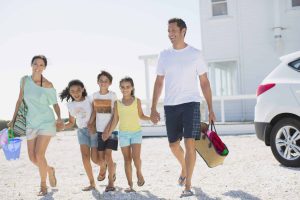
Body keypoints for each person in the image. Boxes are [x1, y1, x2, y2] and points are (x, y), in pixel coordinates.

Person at [150, 18, 216, 197]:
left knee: (189, 143)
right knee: (173, 145)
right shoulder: (164, 55)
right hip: (171, 105)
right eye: (168, 31)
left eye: (173, 30)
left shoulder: (195, 54)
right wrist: (153, 107)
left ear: (183, 31)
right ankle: (184, 168)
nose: (170, 34)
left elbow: (204, 82)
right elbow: (158, 82)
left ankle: (188, 186)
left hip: (191, 103)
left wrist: (210, 108)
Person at [8, 55, 64, 196]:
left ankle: (43, 186)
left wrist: (59, 118)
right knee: (33, 158)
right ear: (31, 65)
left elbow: (55, 104)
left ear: (44, 67)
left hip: (46, 122)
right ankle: (50, 169)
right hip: (30, 122)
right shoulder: (24, 80)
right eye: (35, 64)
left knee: (39, 154)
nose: (38, 67)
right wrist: (13, 119)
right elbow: (19, 100)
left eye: (41, 65)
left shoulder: (48, 84)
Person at [103, 77, 150, 193]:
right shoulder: (117, 103)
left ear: (132, 87)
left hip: (136, 133)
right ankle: (130, 185)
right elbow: (115, 120)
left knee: (136, 158)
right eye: (123, 87)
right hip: (123, 134)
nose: (125, 89)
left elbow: (141, 115)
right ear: (120, 88)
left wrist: (151, 118)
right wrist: (108, 133)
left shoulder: (137, 101)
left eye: (128, 87)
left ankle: (139, 172)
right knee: (127, 160)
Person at [59, 79, 98, 191]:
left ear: (83, 89)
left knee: (95, 159)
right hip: (81, 132)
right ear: (69, 92)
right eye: (73, 91)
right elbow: (71, 122)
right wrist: (62, 127)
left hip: (93, 130)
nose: (76, 93)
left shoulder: (89, 99)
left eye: (78, 90)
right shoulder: (70, 105)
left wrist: (91, 123)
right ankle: (92, 183)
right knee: (85, 158)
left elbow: (95, 111)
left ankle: (108, 166)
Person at [90, 71, 118, 192]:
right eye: (101, 80)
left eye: (106, 81)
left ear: (110, 83)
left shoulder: (113, 95)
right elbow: (94, 112)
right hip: (99, 131)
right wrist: (90, 124)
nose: (103, 83)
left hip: (112, 130)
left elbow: (115, 115)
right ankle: (109, 167)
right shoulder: (94, 95)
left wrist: (108, 130)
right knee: (100, 159)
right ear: (97, 82)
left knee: (108, 156)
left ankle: (111, 183)